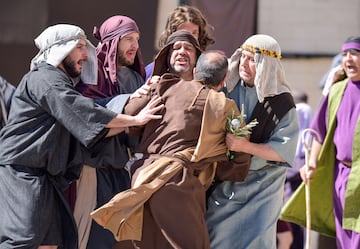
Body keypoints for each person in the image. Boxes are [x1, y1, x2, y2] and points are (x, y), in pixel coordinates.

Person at [0, 24, 163, 249]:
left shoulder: (59, 82)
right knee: (23, 241)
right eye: (79, 47)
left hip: (48, 179)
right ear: (60, 50)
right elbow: (85, 112)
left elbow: (94, 124)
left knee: (49, 244)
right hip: (23, 172)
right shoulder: (44, 78)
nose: (86, 55)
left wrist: (131, 114)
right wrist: (135, 120)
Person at [91, 50, 251, 249]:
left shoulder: (165, 86)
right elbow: (239, 163)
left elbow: (130, 114)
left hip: (143, 177)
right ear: (224, 80)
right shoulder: (226, 107)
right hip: (179, 183)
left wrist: (146, 91)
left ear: (194, 71)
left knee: (143, 243)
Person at [206, 34, 299, 249]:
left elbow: (282, 152)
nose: (243, 64)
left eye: (252, 60)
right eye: (243, 57)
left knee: (256, 242)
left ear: (266, 65)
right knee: (218, 237)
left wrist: (245, 147)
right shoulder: (227, 89)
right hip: (227, 182)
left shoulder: (282, 103)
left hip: (263, 187)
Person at [73, 15, 148, 249]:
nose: (135, 45)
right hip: (91, 170)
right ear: (112, 42)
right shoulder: (88, 72)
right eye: (128, 39)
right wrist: (129, 107)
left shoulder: (136, 78)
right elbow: (84, 114)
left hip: (121, 171)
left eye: (137, 39)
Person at [281, 36, 360, 249]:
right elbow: (319, 132)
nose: (348, 59)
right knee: (344, 238)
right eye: (345, 54)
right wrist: (311, 163)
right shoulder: (337, 90)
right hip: (341, 177)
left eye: (354, 54)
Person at [145, 5, 215, 80]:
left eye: (194, 33)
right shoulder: (151, 72)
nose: (187, 38)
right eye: (182, 33)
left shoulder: (207, 73)